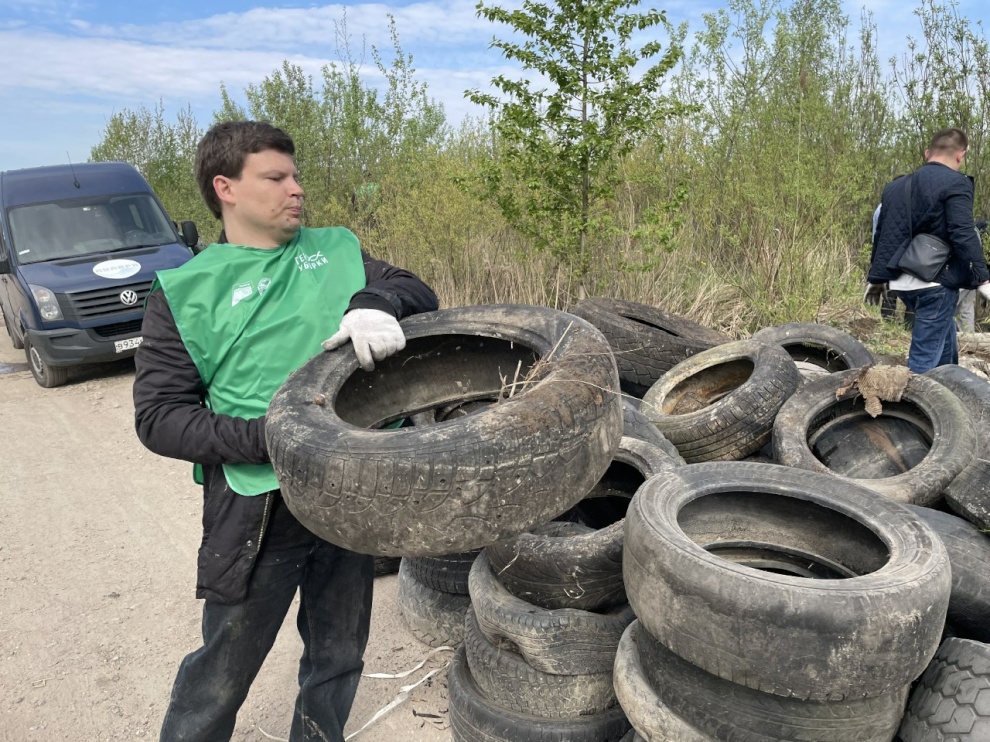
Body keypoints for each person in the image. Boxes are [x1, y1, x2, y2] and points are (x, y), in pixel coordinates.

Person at [132, 120, 439, 742]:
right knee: (223, 669)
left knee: (338, 653)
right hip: (259, 506)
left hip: (351, 490)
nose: (296, 189)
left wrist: (373, 302)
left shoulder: (337, 249)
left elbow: (413, 287)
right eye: (275, 178)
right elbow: (159, 415)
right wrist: (277, 438)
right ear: (226, 188)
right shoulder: (187, 290)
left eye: (295, 176)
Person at [866, 127, 990, 372]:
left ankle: (951, 388)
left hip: (901, 282)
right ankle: (908, 397)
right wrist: (982, 278)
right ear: (961, 155)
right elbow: (962, 232)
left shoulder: (895, 187)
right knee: (921, 365)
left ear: (927, 153)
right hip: (936, 284)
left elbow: (883, 235)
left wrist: (876, 278)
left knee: (946, 355)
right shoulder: (957, 183)